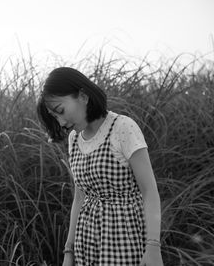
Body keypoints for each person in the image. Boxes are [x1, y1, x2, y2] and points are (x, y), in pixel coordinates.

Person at [36, 67, 163, 266]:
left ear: (83, 96)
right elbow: (80, 196)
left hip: (124, 239)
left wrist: (153, 246)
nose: (60, 122)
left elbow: (149, 191)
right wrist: (68, 251)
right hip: (86, 241)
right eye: (54, 116)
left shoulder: (123, 127)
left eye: (60, 111)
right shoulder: (74, 138)